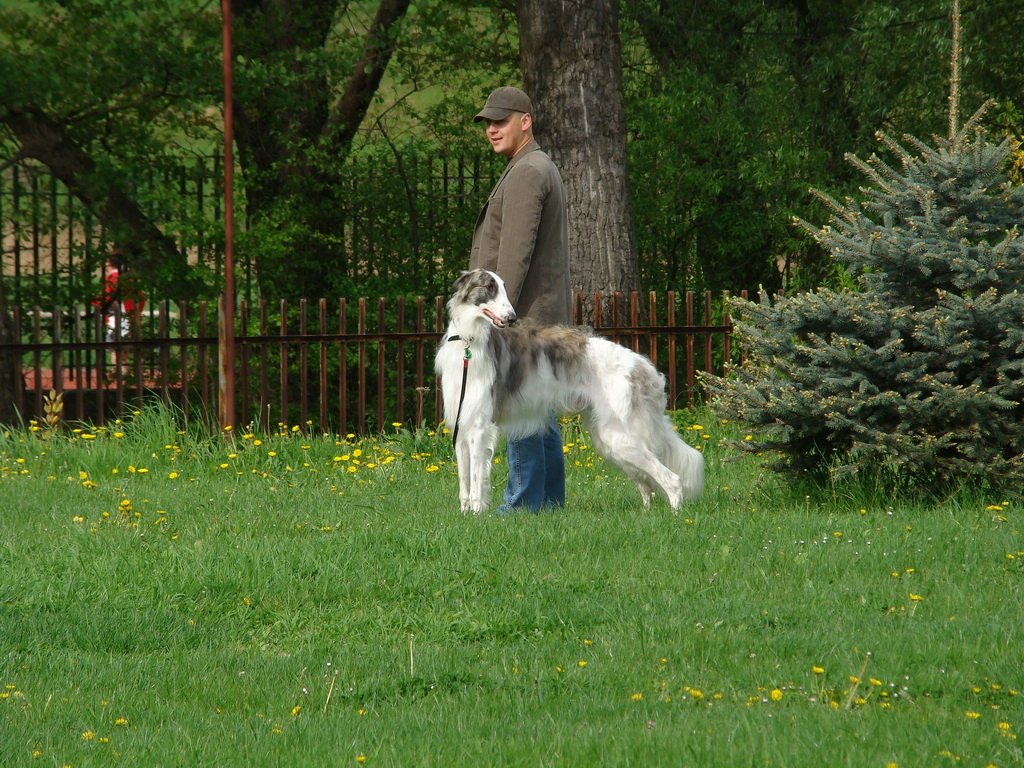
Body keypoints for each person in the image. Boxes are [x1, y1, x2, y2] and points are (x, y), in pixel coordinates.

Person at [469, 86, 572, 513]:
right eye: (488, 123)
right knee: (540, 408)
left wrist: (496, 314)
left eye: (501, 121)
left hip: (523, 317)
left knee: (522, 407)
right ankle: (547, 503)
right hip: (537, 314)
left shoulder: (528, 170)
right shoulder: (532, 165)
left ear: (525, 121)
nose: (492, 129)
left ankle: (523, 503)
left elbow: (514, 252)